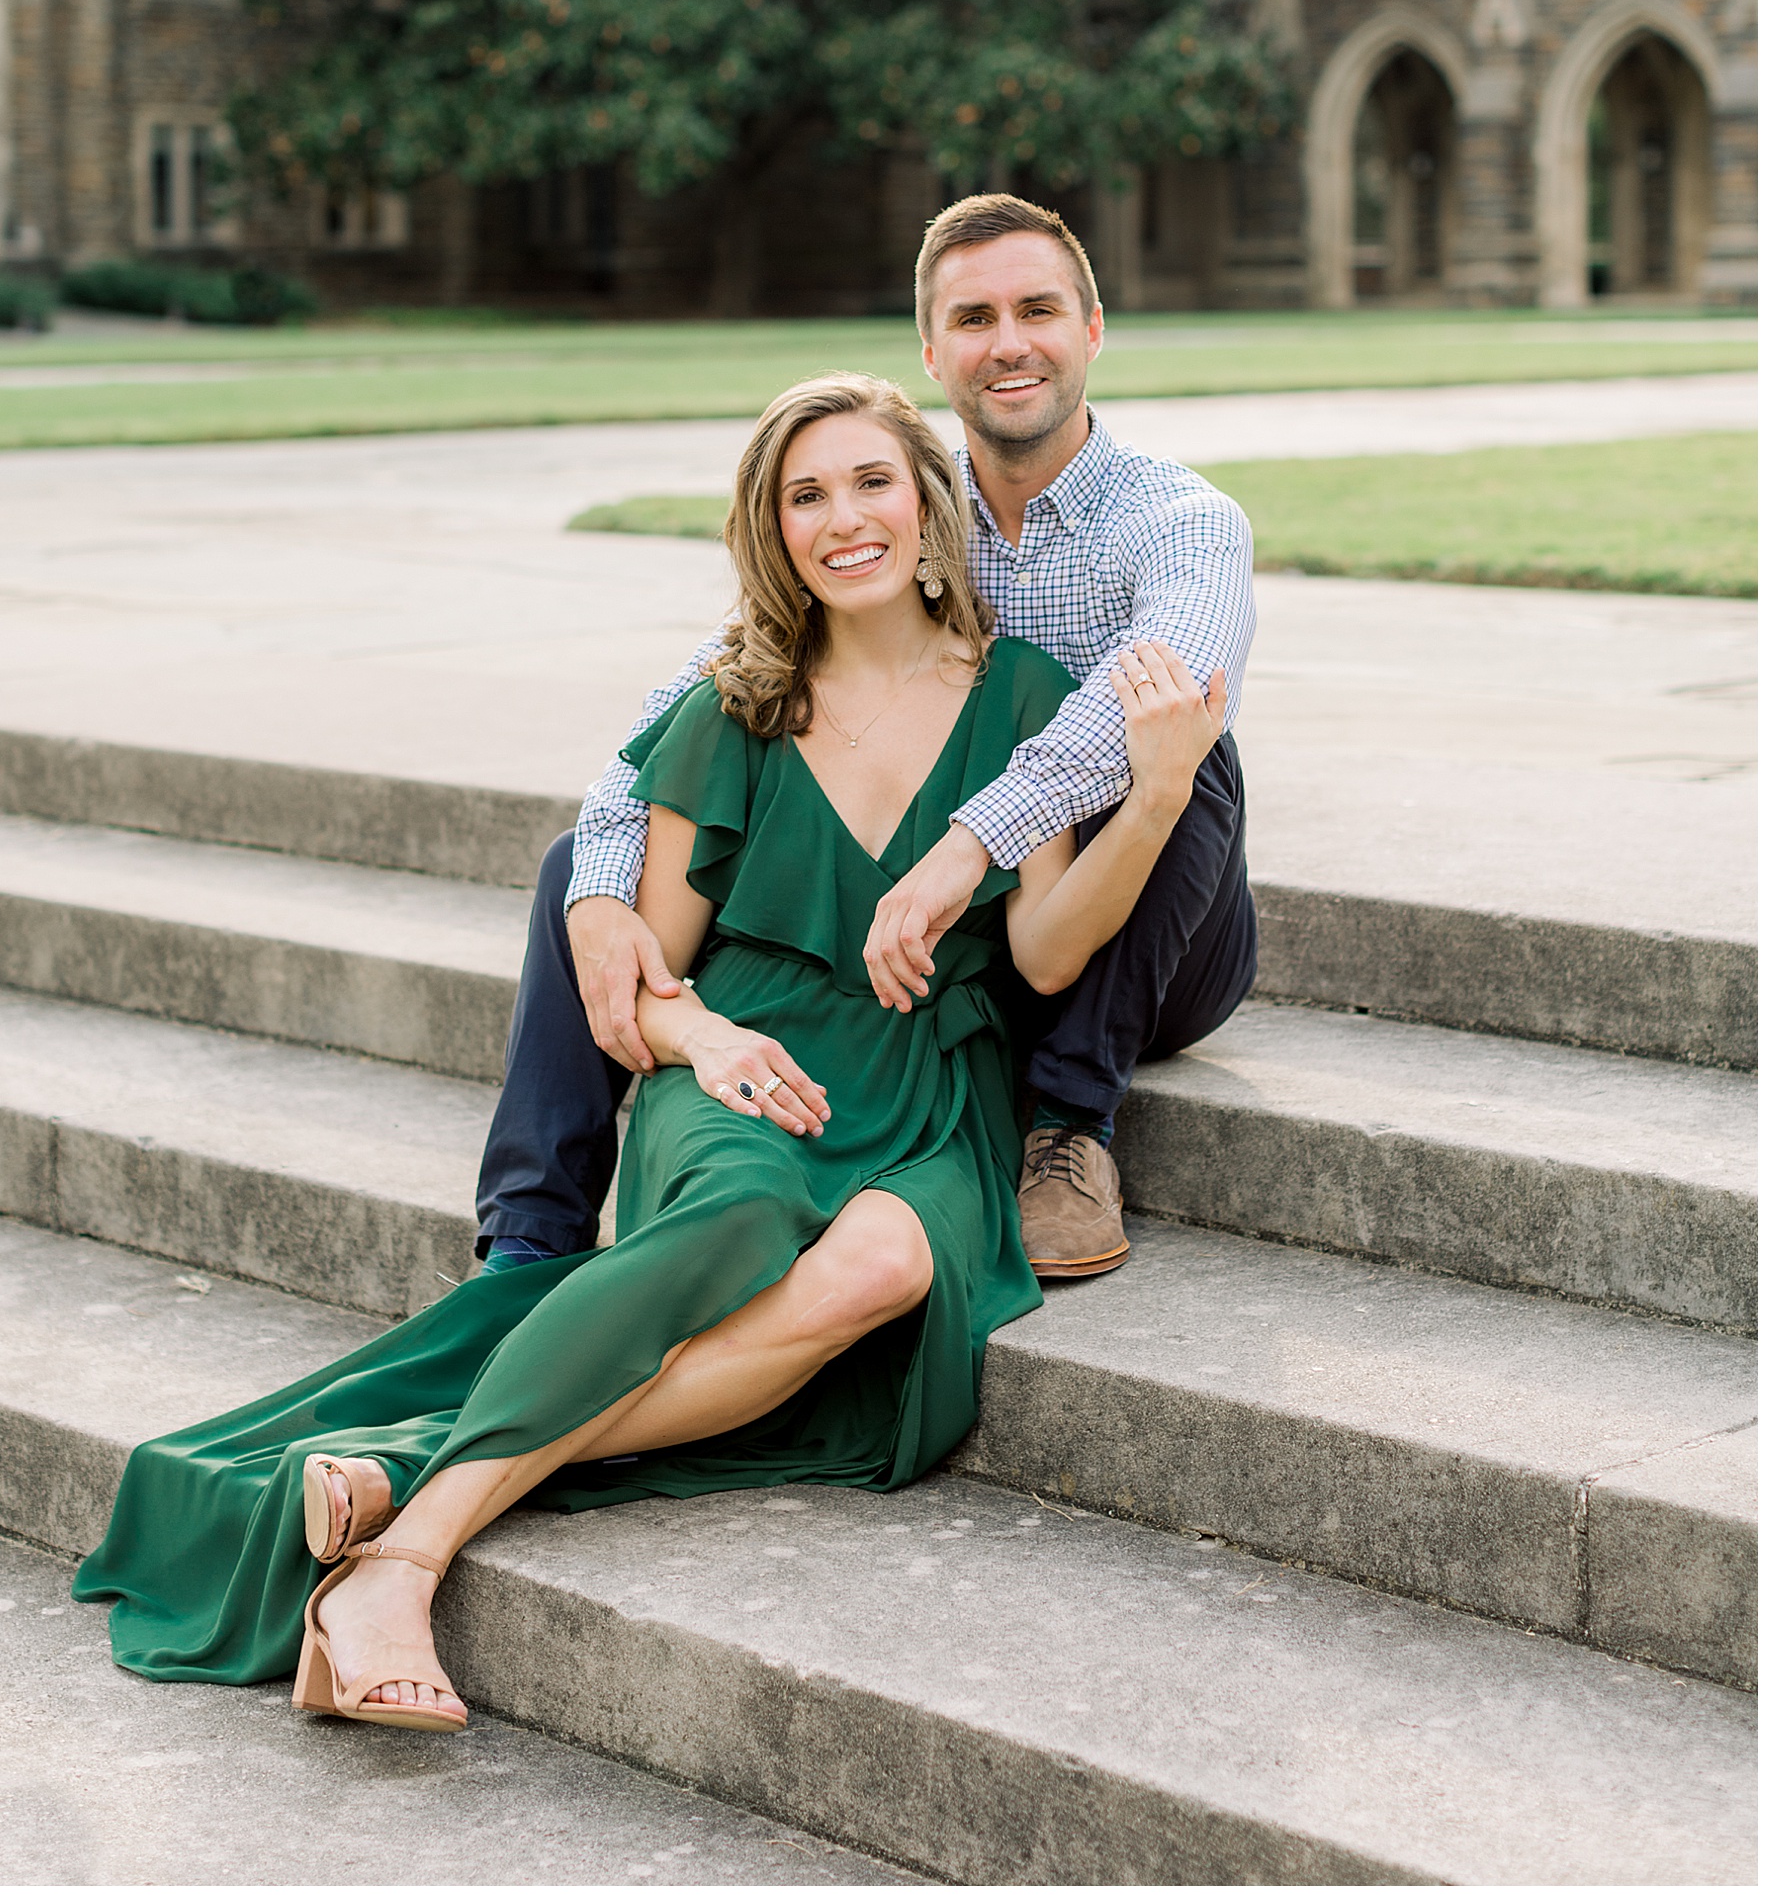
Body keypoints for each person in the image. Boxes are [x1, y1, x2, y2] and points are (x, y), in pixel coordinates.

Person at [73, 373, 1227, 1732]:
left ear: (929, 505)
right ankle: (400, 1563)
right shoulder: (734, 707)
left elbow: (1041, 954)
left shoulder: (1030, 695)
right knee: (740, 1214)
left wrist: (1153, 795)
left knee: (885, 1263)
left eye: (871, 481)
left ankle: (406, 1468)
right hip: (740, 1064)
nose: (844, 516)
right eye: (806, 495)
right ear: (772, 531)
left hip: (928, 1083)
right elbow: (644, 975)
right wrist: (709, 1038)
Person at [479, 193, 1258, 1284]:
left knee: (1177, 743)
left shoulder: (1182, 521)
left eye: (1038, 309)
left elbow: (1157, 695)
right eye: (974, 318)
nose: (1010, 342)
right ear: (935, 353)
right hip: (960, 937)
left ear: (1091, 327)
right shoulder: (901, 505)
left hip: (1137, 932)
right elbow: (698, 694)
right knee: (582, 869)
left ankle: (1072, 1126)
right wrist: (603, 896)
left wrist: (968, 844)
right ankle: (528, 1240)